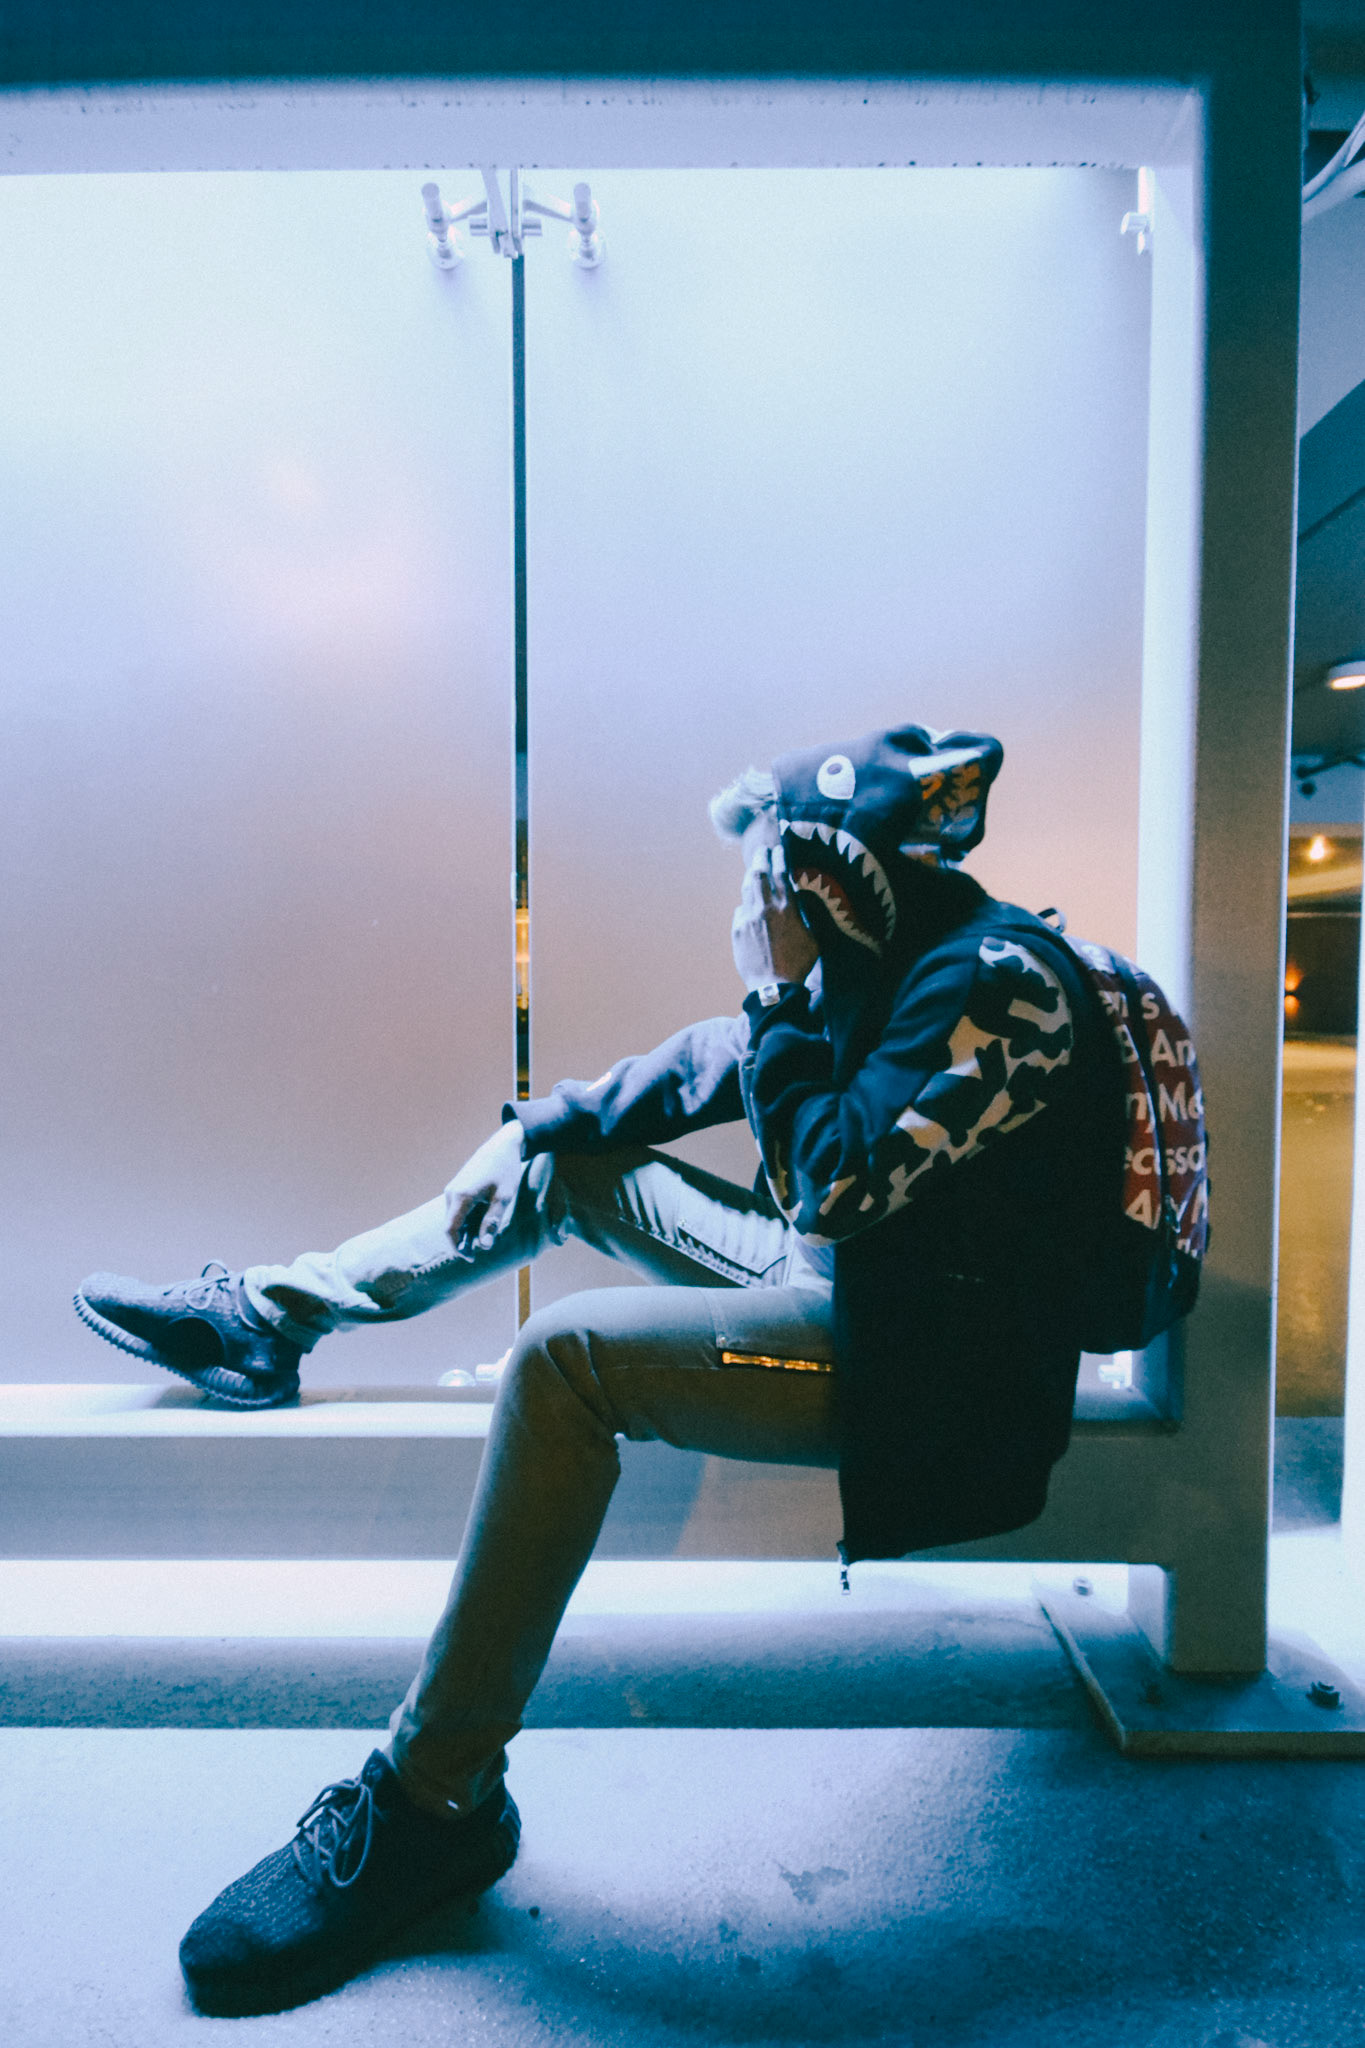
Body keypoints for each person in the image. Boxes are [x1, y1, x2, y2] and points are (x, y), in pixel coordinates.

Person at [74, 722, 1122, 2017]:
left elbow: (831, 1185)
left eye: (772, 876)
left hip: (934, 1370)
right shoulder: (900, 954)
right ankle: (268, 1319)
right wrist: (539, 1130)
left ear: (832, 874)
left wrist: (776, 994)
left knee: (565, 1363)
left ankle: (434, 1799)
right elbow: (715, 1065)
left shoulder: (996, 987)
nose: (754, 906)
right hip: (868, 1292)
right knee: (564, 1170)